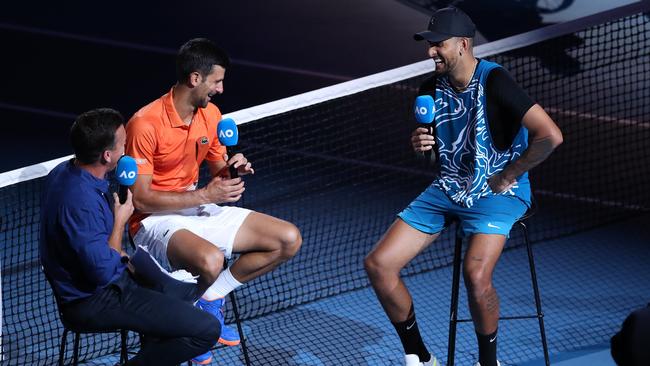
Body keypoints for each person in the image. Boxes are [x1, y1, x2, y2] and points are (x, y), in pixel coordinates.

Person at [364, 7, 563, 366]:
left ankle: (488, 362)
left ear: (463, 45)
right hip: (450, 188)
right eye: (429, 45)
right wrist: (421, 146)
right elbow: (444, 153)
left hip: (498, 193)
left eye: (438, 45)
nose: (431, 52)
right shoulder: (429, 90)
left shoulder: (496, 80)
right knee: (379, 264)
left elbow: (550, 135)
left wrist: (509, 174)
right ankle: (420, 357)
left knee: (476, 275)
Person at [125, 38, 302, 363]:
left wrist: (233, 170)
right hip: (152, 221)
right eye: (217, 81)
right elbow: (141, 199)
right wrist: (207, 194)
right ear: (195, 78)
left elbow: (218, 168)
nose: (220, 89)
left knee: (287, 239)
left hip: (197, 208)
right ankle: (193, 328)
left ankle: (210, 296)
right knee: (210, 261)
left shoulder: (211, 115)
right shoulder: (145, 124)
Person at [39, 108, 219, 365]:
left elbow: (91, 248)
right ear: (107, 155)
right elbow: (103, 274)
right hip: (92, 301)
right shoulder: (81, 203)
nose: (127, 150)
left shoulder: (62, 172)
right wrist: (120, 220)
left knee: (173, 293)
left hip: (101, 283)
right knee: (207, 330)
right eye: (123, 144)